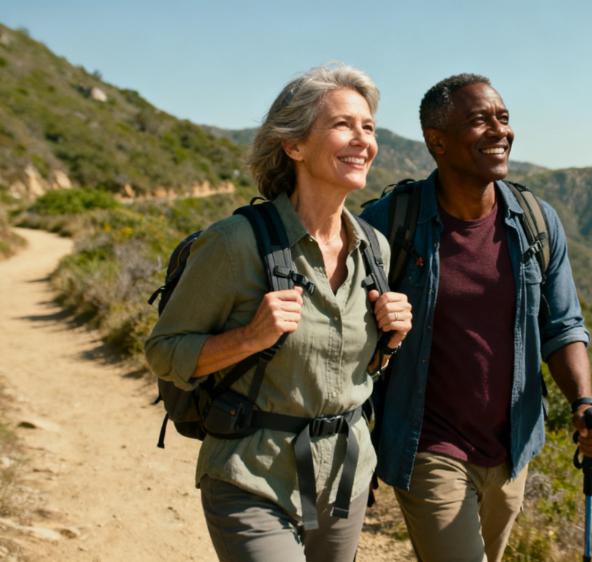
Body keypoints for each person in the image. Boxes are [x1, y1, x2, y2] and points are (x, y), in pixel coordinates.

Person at [145, 64, 412, 562]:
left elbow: (340, 370)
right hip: (251, 475)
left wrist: (390, 341)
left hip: (344, 479)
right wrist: (249, 336)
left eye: (368, 127)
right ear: (294, 146)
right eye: (343, 125)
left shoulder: (373, 248)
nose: (362, 140)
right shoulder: (234, 242)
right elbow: (163, 353)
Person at [360, 73, 592, 562]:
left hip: (510, 449)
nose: (500, 130)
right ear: (437, 141)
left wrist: (583, 402)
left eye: (504, 118)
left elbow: (561, 326)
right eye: (480, 120)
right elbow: (349, 339)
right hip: (426, 445)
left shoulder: (536, 223)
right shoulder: (389, 225)